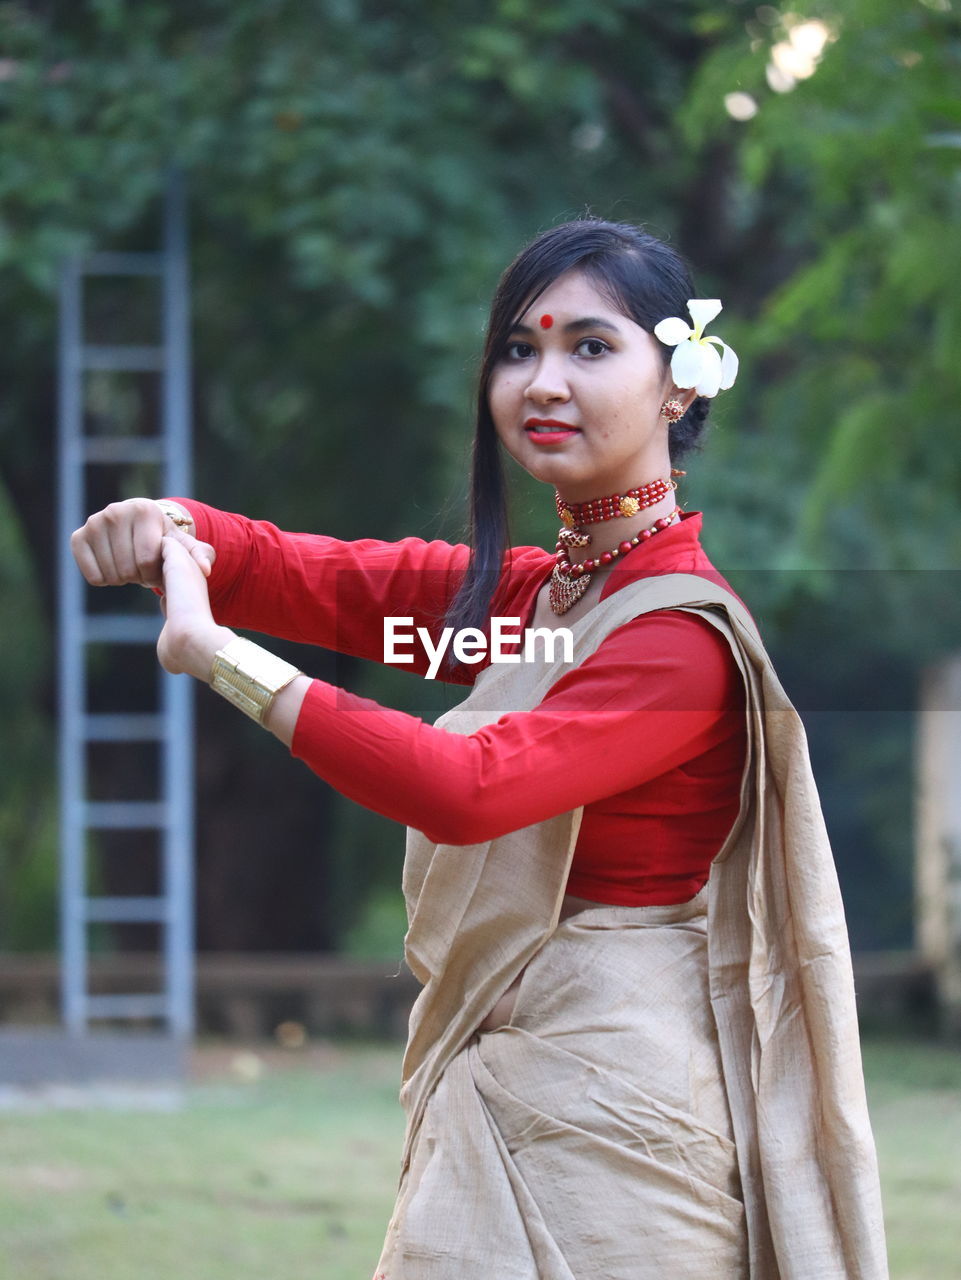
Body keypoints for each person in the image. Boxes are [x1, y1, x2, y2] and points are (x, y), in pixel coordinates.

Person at [71, 219, 888, 1278]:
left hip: (619, 1128)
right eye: (518, 348)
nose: (543, 380)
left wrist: (220, 658)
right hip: (526, 1084)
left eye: (590, 347)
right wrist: (177, 528)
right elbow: (348, 587)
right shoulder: (540, 608)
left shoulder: (675, 643)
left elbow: (468, 788)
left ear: (679, 387)